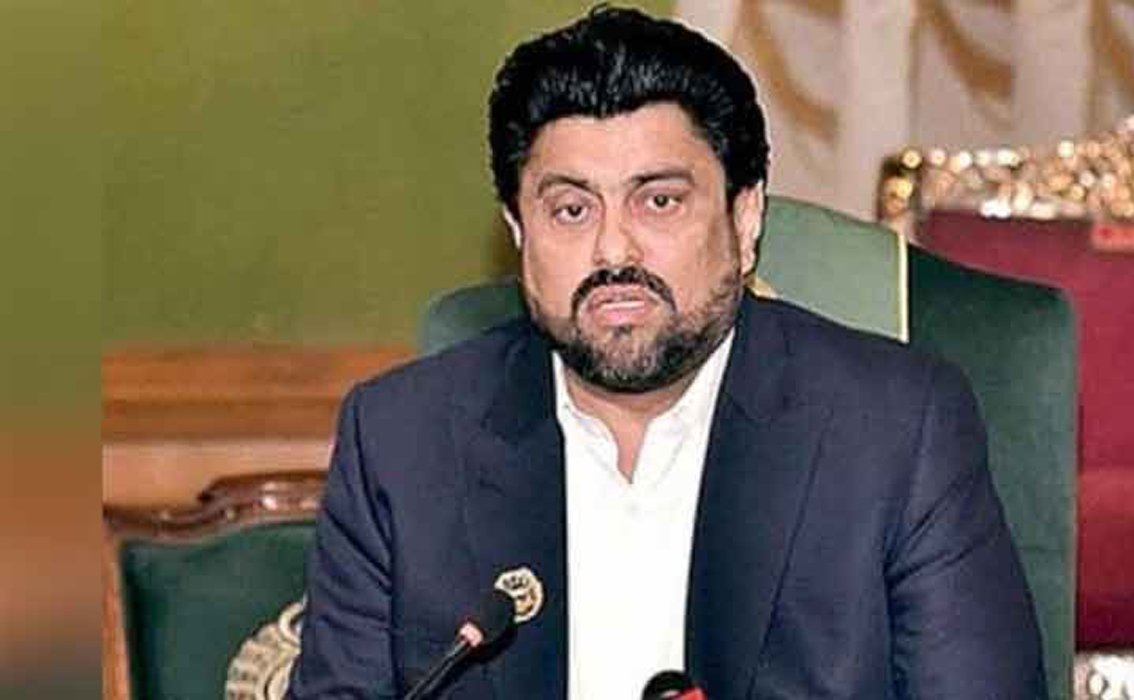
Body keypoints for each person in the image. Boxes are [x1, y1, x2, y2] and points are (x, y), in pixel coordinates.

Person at [288, 7, 1046, 699]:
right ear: (519, 232)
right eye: (571, 209)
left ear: (745, 218)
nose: (613, 248)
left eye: (659, 201)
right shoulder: (401, 439)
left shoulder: (895, 429)